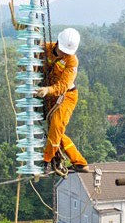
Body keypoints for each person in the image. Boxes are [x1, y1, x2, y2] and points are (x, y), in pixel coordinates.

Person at [35, 28, 89, 174]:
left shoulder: (72, 61)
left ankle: (46, 160)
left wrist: (47, 90)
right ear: (57, 43)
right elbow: (38, 50)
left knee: (57, 125)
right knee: (56, 131)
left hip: (67, 96)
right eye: (62, 50)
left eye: (67, 52)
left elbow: (63, 86)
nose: (64, 54)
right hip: (51, 96)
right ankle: (79, 162)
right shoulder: (47, 48)